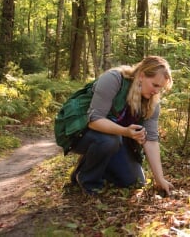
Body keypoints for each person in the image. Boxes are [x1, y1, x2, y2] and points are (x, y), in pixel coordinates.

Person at [70, 56, 174, 196]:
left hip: (116, 140)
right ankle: (87, 179)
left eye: (160, 88)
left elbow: (151, 140)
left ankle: (89, 165)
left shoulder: (152, 102)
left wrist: (160, 179)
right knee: (109, 140)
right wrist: (125, 131)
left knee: (134, 181)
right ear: (142, 75)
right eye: (155, 85)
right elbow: (94, 120)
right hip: (82, 134)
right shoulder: (113, 79)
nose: (156, 91)